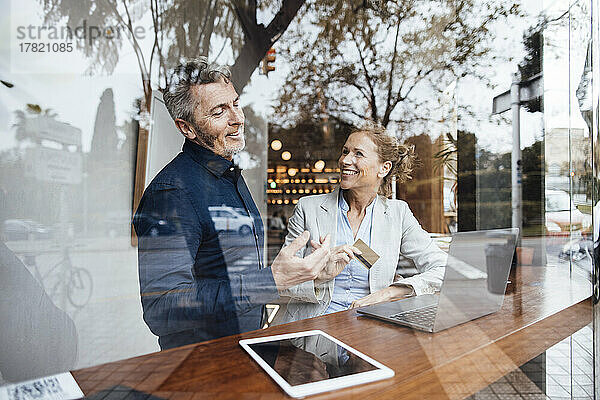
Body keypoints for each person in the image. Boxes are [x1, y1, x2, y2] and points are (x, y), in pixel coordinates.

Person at [133, 57, 334, 350]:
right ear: (186, 128)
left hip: (247, 348)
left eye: (235, 104)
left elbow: (234, 273)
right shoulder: (171, 194)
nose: (237, 118)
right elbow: (161, 309)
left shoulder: (230, 176)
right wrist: (270, 281)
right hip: (202, 366)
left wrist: (300, 270)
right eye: (218, 111)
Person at [275, 126, 447, 325]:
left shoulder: (398, 213)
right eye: (345, 151)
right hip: (314, 326)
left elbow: (443, 268)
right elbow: (282, 281)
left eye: (358, 154)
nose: (345, 160)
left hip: (373, 327)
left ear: (384, 168)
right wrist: (319, 277)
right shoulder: (309, 208)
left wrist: (391, 293)